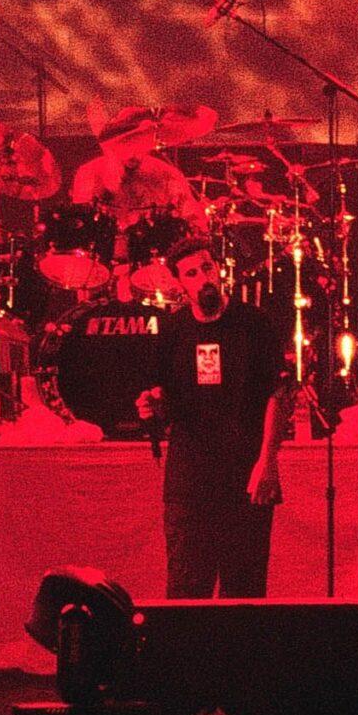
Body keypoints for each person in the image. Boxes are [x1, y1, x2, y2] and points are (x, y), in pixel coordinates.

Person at [135, 238, 291, 598]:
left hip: (245, 476)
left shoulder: (254, 324)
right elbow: (165, 400)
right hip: (190, 483)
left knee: (245, 593)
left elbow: (278, 394)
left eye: (207, 267)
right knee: (187, 591)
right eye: (191, 273)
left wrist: (268, 462)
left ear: (218, 269)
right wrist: (150, 408)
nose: (203, 278)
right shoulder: (173, 332)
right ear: (179, 284)